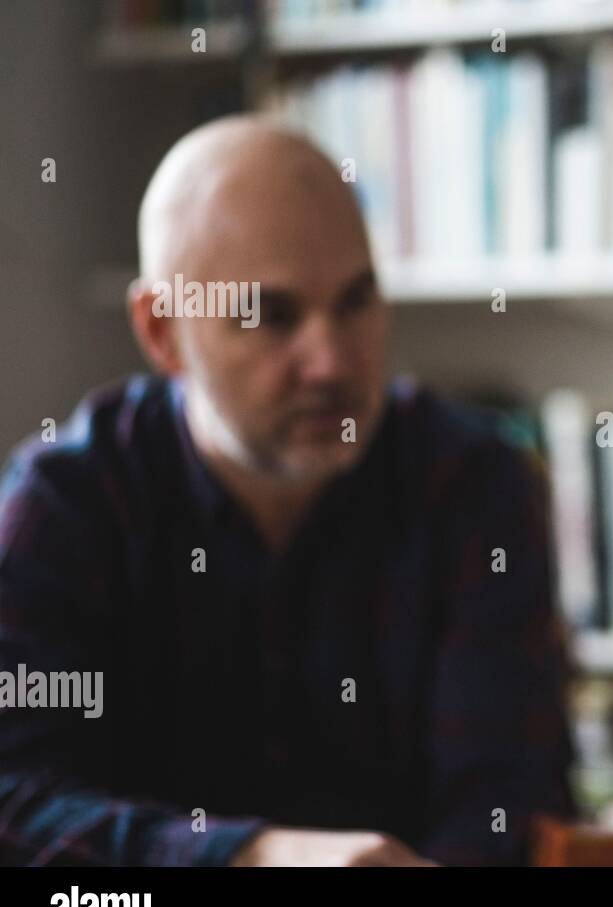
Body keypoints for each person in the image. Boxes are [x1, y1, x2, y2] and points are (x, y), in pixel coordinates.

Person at [0, 117, 575, 866]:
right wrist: (253, 859)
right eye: (270, 316)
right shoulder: (70, 503)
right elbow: (14, 800)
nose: (331, 361)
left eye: (356, 300)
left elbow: (506, 803)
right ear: (162, 330)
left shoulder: (473, 486)